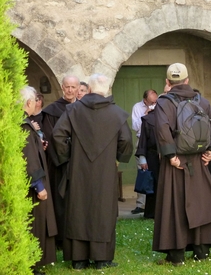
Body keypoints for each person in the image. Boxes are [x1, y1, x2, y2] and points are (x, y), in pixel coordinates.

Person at [52, 74, 133, 269]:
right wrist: (117, 159)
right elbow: (126, 141)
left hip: (78, 170)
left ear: (88, 89)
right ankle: (101, 259)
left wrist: (69, 158)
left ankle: (78, 260)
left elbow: (58, 135)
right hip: (105, 171)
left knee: (78, 210)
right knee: (102, 210)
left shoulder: (72, 110)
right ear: (107, 90)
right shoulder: (117, 113)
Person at [153, 63, 211, 266]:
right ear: (187, 81)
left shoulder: (163, 102)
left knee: (173, 205)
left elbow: (161, 129)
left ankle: (176, 255)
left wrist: (170, 156)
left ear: (168, 82)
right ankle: (200, 251)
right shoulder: (200, 100)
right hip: (198, 160)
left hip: (176, 161)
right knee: (200, 203)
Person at [21, 86, 57, 275]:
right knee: (35, 223)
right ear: (28, 103)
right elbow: (29, 158)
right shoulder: (25, 126)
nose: (36, 103)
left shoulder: (25, 123)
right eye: (34, 100)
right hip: (31, 187)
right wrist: (39, 186)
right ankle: (31, 265)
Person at [41, 74, 79, 249]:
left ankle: (75, 237)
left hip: (79, 164)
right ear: (62, 88)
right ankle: (60, 239)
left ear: (78, 88)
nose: (70, 90)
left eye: (73, 87)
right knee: (59, 200)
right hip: (59, 164)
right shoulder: (51, 111)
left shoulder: (82, 109)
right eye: (67, 87)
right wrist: (66, 158)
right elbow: (51, 137)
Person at [131, 89, 158, 214]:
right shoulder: (137, 107)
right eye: (152, 97)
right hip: (141, 142)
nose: (155, 99)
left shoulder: (160, 106)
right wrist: (146, 115)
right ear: (145, 99)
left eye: (156, 96)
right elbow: (135, 127)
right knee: (143, 172)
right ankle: (141, 204)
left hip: (155, 143)